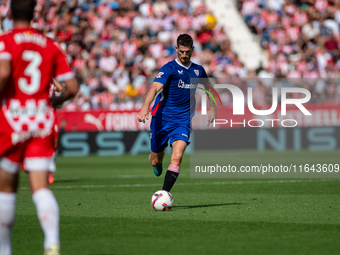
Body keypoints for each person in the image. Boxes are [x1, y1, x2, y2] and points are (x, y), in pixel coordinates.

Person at [0, 1, 79, 255]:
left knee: (7, 189)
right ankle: (51, 243)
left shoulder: (6, 41)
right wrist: (54, 101)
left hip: (12, 119)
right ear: (35, 12)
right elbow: (73, 88)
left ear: (10, 13)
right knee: (41, 187)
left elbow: (2, 75)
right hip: (41, 120)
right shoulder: (50, 45)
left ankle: (5, 249)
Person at [137, 34, 216, 192]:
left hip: (182, 121)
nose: (184, 55)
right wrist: (145, 107)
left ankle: (164, 193)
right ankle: (156, 160)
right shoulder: (169, 68)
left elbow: (209, 89)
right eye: (181, 52)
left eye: (187, 52)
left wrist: (212, 108)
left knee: (177, 156)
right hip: (161, 119)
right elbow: (154, 88)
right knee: (155, 161)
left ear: (192, 50)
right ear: (176, 50)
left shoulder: (198, 70)